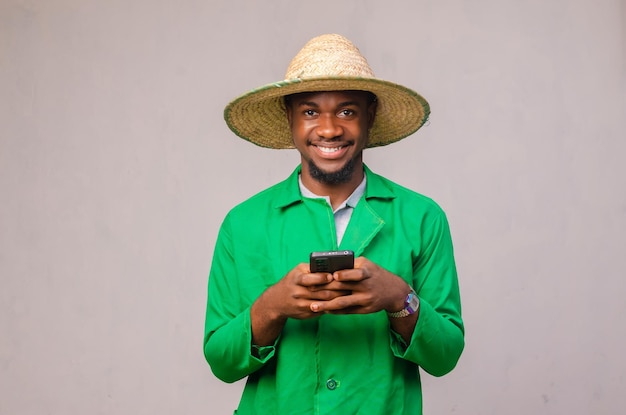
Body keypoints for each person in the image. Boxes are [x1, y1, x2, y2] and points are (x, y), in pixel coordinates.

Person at [203, 33, 464, 415]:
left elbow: (445, 356)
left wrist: (398, 298)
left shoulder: (421, 217)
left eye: (346, 111)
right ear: (288, 117)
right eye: (310, 112)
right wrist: (272, 307)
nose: (328, 129)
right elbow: (221, 363)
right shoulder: (243, 223)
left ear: (369, 116)